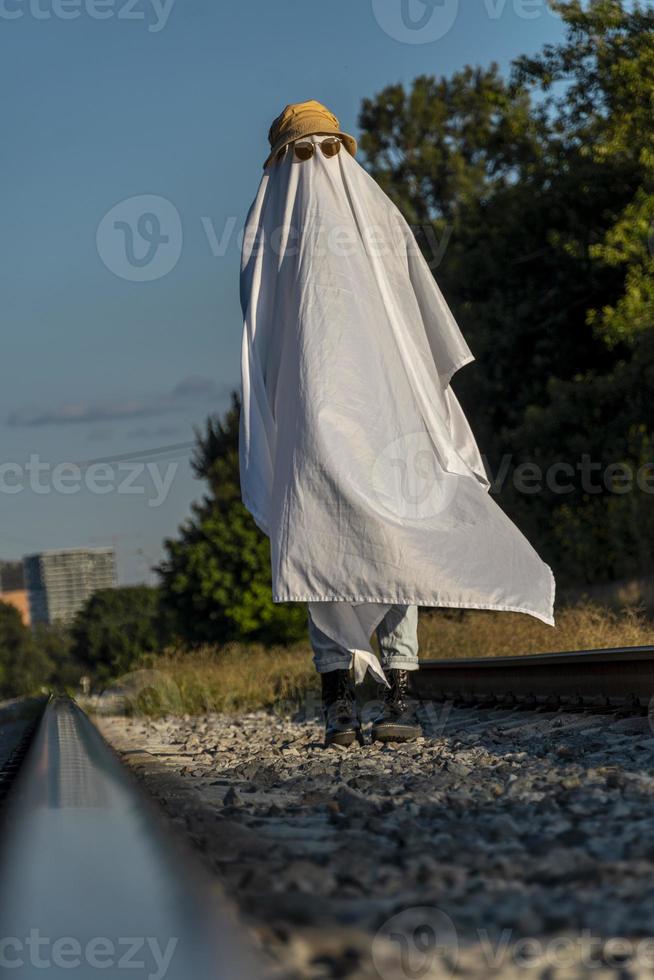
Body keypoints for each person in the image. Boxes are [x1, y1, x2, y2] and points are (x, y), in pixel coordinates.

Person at [239, 100, 556, 747]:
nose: (316, 165)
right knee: (320, 550)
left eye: (324, 150)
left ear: (341, 152)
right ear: (281, 163)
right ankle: (340, 705)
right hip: (309, 420)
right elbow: (261, 334)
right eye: (304, 154)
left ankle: (400, 701)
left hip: (385, 412)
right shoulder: (269, 226)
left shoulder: (370, 217)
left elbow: (414, 319)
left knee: (395, 540)